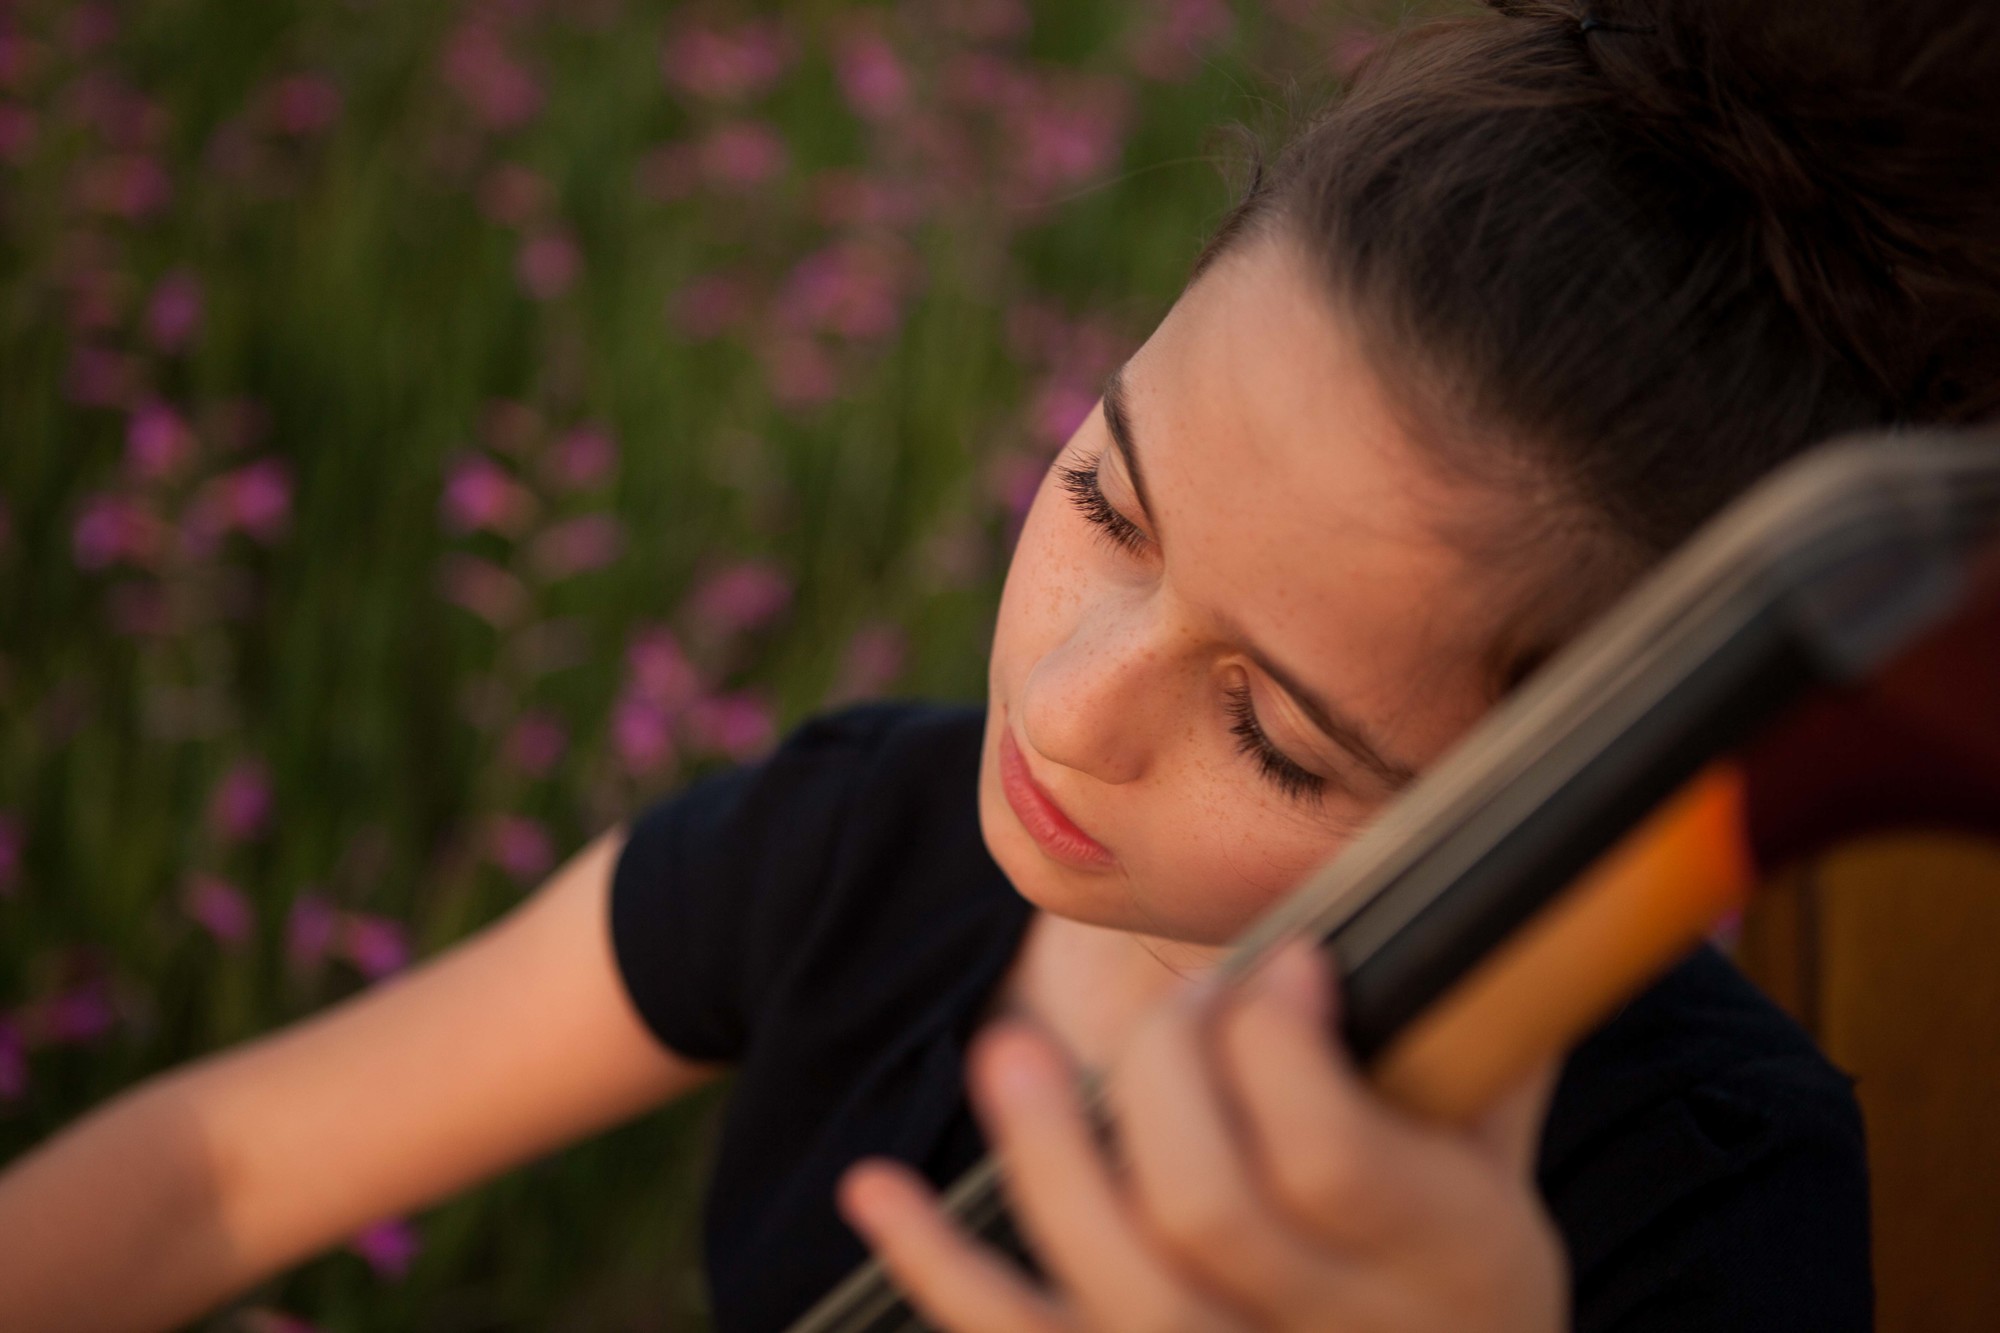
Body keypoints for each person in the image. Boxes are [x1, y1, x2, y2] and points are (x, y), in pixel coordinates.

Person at [3, 0, 1997, 1329]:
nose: (1057, 710)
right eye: (1107, 506)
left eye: (1266, 731)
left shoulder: (1705, 1204)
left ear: (1577, 799)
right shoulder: (860, 835)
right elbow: (204, 1177)